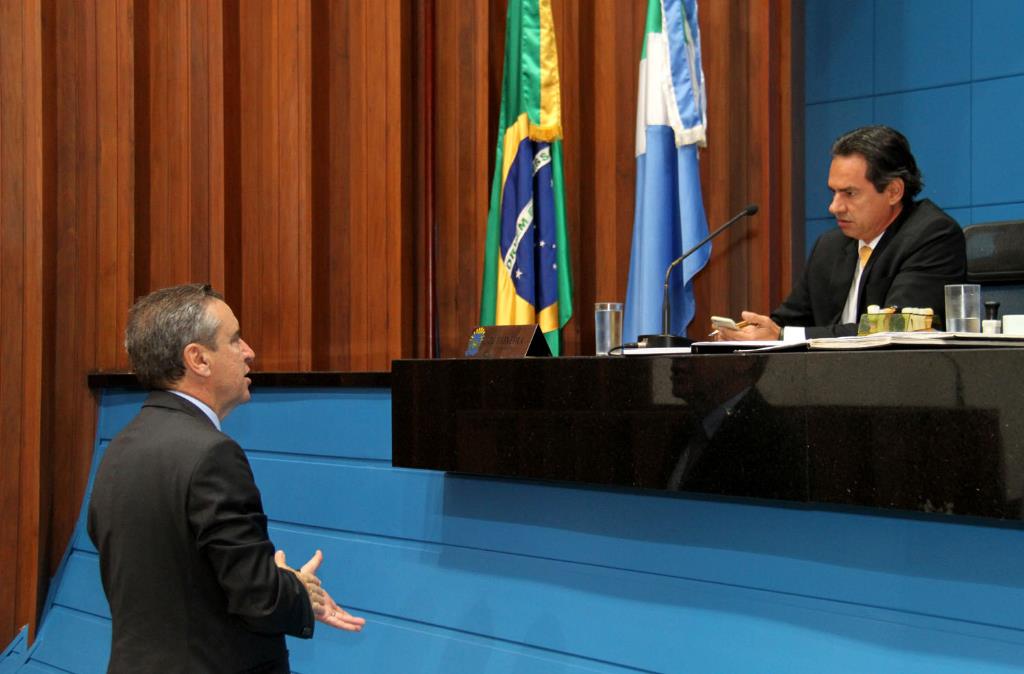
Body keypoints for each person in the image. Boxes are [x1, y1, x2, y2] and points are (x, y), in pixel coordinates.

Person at [87, 284, 364, 673]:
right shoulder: (212, 455)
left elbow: (170, 578)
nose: (249, 352)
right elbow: (259, 599)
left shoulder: (118, 448)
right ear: (198, 359)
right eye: (234, 339)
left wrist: (268, 578)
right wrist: (296, 591)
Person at [717, 125, 966, 340]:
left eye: (850, 193)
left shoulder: (933, 236)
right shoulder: (830, 245)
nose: (834, 207)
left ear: (893, 191)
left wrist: (782, 335)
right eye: (833, 192)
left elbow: (894, 329)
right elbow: (787, 321)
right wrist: (748, 333)